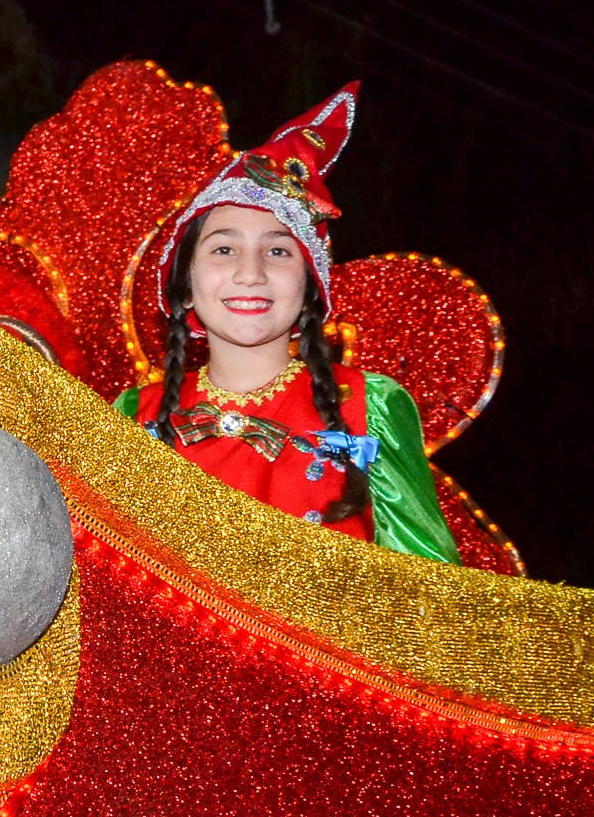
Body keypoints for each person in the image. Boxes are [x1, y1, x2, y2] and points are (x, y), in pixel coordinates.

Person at [113, 84, 461, 562]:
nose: (250, 273)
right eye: (223, 249)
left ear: (310, 287)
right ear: (186, 283)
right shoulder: (133, 416)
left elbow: (430, 595)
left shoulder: (369, 408)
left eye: (278, 251)